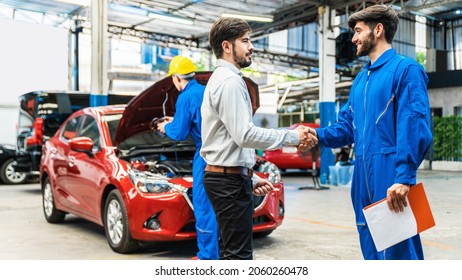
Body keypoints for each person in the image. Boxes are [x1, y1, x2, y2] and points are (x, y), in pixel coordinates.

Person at [313, 5, 433, 259]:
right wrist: (317, 135)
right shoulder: (361, 79)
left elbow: (414, 125)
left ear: (378, 30)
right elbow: (347, 125)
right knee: (370, 246)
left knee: (399, 251)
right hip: (362, 176)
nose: (354, 38)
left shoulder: (406, 70)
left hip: (390, 174)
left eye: (358, 31)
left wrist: (404, 176)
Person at [200, 17, 317, 260]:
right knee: (239, 257)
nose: (251, 46)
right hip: (227, 183)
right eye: (245, 41)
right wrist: (292, 136)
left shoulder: (223, 79)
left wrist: (248, 177)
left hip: (228, 179)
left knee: (231, 252)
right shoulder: (230, 81)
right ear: (227, 46)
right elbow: (245, 135)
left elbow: (229, 139)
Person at [157, 55, 219, 260]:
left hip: (205, 156)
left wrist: (165, 126)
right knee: (222, 205)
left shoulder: (185, 97)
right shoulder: (207, 90)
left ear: (176, 77)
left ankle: (208, 257)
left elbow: (179, 133)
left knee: (204, 206)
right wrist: (176, 119)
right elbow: (200, 120)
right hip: (224, 153)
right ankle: (224, 251)